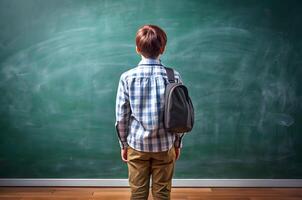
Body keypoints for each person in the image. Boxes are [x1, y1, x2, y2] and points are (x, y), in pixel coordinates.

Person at [115, 24, 185, 200]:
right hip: (165, 144)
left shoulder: (127, 77)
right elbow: (180, 115)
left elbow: (121, 116)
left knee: (138, 192)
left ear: (137, 48)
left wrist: (123, 144)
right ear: (163, 48)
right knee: (162, 192)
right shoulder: (173, 76)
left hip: (137, 145)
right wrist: (177, 143)